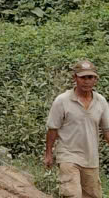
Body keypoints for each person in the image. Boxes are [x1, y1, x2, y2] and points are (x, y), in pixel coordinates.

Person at [46, 59, 109, 197]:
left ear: (95, 79)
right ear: (75, 78)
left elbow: (107, 130)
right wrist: (49, 153)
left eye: (90, 77)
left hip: (91, 158)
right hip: (68, 155)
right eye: (82, 77)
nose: (87, 81)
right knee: (72, 194)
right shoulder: (62, 100)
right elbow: (52, 129)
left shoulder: (101, 102)